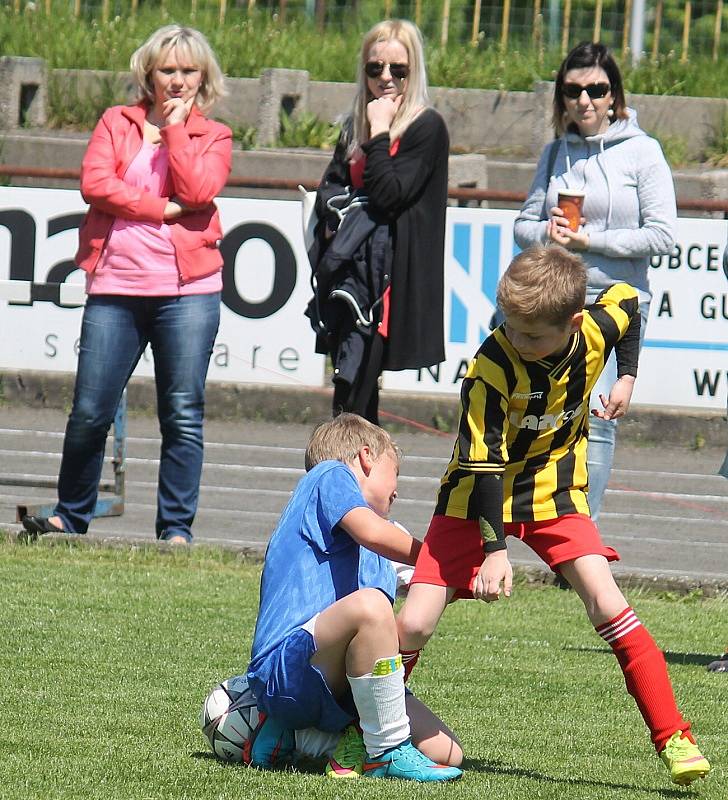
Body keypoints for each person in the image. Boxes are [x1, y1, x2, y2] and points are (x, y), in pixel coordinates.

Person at [396, 246, 711, 787]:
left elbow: (630, 303)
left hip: (555, 491)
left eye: (533, 335)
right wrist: (495, 552)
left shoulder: (594, 328)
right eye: (510, 327)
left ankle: (673, 737)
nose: (518, 341)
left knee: (607, 601)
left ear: (573, 322)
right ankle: (361, 724)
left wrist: (627, 376)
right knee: (416, 622)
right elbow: (484, 465)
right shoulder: (489, 367)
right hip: (474, 496)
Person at [20, 25, 232, 544]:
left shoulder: (214, 135)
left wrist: (178, 131)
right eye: (168, 70)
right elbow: (95, 184)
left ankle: (175, 530)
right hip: (115, 287)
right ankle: (70, 516)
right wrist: (160, 208)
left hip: (188, 293)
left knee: (181, 413)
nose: (178, 80)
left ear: (203, 77)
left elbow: (199, 189)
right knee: (91, 410)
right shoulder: (117, 121)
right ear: (148, 74)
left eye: (187, 70)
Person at [246, 413, 462, 781]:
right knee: (372, 605)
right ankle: (386, 751)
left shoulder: (384, 537)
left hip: (339, 692)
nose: (397, 490)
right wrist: (438, 556)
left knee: (448, 751)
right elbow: (374, 534)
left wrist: (474, 571)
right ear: (366, 457)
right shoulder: (328, 476)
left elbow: (430, 584)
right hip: (285, 672)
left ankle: (299, 737)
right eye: (394, 473)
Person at [513, 41, 677, 520]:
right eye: (573, 90)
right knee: (538, 412)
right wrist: (546, 231)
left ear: (614, 96)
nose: (584, 100)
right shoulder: (554, 152)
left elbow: (664, 235)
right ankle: (530, 518)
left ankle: (580, 535)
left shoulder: (642, 153)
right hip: (554, 299)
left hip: (614, 301)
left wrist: (593, 240)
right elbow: (522, 225)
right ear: (561, 97)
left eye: (596, 90)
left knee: (599, 420)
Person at [307, 19, 449, 424]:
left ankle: (360, 482)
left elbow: (388, 195)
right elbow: (329, 190)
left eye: (398, 70)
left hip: (388, 287)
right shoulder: (355, 123)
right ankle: (357, 482)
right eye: (375, 68)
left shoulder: (426, 127)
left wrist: (381, 130)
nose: (385, 78)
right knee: (350, 399)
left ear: (413, 71)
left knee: (353, 404)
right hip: (350, 279)